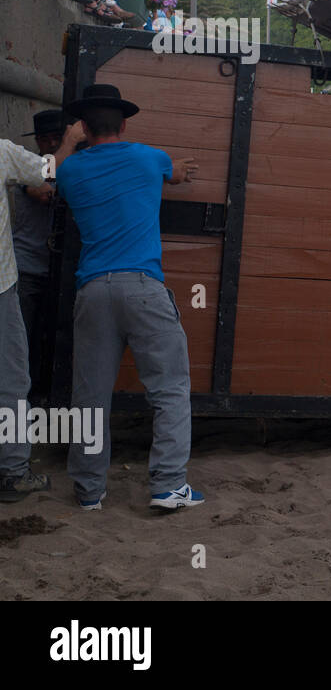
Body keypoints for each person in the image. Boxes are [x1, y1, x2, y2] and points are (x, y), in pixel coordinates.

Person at [56, 83, 204, 511]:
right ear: (123, 124)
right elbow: (173, 173)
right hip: (142, 287)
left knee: (90, 396)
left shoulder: (71, 170)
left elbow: (51, 175)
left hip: (93, 291)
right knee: (170, 390)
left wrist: (67, 144)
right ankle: (168, 486)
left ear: (84, 127)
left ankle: (88, 491)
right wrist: (176, 168)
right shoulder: (149, 158)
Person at [0, 134, 54, 503]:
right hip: (1, 287)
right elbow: (47, 170)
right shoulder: (2, 152)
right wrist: (68, 142)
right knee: (12, 380)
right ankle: (14, 473)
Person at [9, 110, 70, 406]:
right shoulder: (28, 165)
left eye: (55, 137)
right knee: (23, 341)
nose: (48, 143)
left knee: (51, 339)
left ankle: (45, 397)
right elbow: (41, 190)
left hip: (59, 270)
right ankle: (25, 402)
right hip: (28, 268)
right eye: (43, 138)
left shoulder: (71, 165)